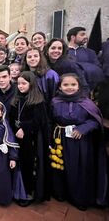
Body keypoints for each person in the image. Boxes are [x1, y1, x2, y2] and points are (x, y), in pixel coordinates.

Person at [51, 73, 107, 210]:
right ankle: (61, 193)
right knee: (60, 166)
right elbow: (49, 119)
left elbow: (95, 121)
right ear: (60, 86)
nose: (69, 87)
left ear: (78, 86)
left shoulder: (86, 102)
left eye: (73, 85)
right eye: (65, 85)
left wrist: (83, 128)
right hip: (60, 140)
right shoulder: (54, 101)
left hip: (80, 143)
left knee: (79, 169)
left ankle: (79, 198)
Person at [9, 71, 50, 206]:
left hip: (31, 139)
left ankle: (28, 193)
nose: (20, 86)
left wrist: (24, 128)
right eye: (19, 83)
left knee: (29, 165)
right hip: (17, 137)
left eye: (24, 83)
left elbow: (39, 120)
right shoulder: (16, 99)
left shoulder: (38, 101)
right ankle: (17, 191)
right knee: (18, 163)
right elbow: (12, 117)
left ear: (31, 84)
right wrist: (15, 129)